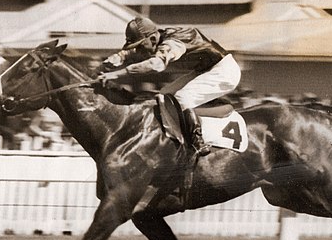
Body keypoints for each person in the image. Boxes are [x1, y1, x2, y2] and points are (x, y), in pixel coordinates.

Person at [96, 17, 241, 156]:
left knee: (182, 98)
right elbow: (132, 51)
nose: (139, 51)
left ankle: (198, 142)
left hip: (224, 71)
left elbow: (156, 65)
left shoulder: (172, 44)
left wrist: (116, 74)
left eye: (140, 46)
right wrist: (116, 58)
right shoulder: (156, 38)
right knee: (163, 95)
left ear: (152, 39)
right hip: (205, 70)